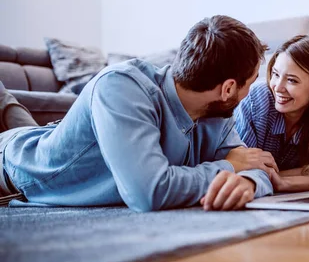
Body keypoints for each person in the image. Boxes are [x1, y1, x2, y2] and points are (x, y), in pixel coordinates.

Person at [0, 15, 278, 212]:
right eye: (252, 82)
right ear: (228, 88)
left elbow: (253, 164)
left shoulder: (219, 112)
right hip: (20, 170)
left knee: (16, 113)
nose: (250, 93)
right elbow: (148, 192)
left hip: (59, 138)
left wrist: (247, 183)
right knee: (12, 118)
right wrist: (229, 168)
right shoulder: (121, 86)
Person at [234, 35, 309, 192]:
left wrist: (285, 182)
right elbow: (243, 171)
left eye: (292, 80)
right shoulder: (256, 101)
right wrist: (306, 173)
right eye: (276, 74)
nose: (278, 87)